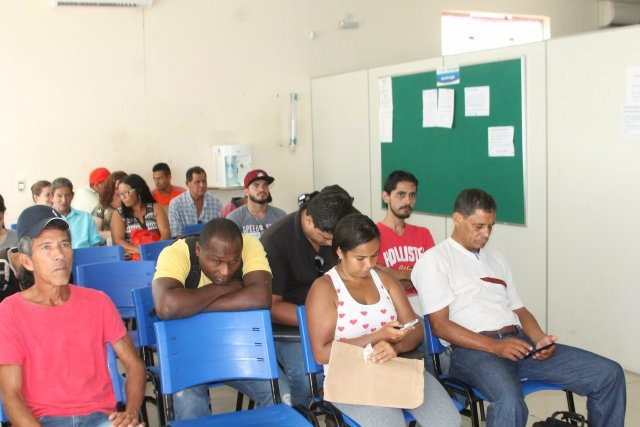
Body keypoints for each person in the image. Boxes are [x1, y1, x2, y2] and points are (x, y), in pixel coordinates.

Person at [411, 188, 626, 427]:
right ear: (458, 218)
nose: (486, 233)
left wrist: (541, 339)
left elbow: (520, 310)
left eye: (490, 226)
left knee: (609, 374)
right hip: (473, 351)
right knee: (510, 401)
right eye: (479, 226)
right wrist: (496, 346)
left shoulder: (496, 259)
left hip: (518, 343)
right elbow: (440, 326)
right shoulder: (434, 260)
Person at [306, 213, 460, 426]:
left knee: (448, 422)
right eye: (360, 258)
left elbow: (415, 330)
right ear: (340, 252)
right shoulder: (325, 289)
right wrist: (379, 337)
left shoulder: (385, 279)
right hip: (349, 376)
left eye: (374, 255)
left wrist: (394, 347)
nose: (369, 264)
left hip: (396, 365)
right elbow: (322, 353)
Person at [0, 204, 145, 426]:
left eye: (64, 244)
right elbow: (11, 395)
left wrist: (131, 413)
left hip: (101, 419)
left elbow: (134, 365)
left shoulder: (98, 302)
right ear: (27, 261)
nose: (59, 255)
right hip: (43, 421)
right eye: (46, 247)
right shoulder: (9, 312)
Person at [152, 218, 289, 419]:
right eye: (216, 261)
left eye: (234, 262)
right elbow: (167, 306)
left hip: (238, 344)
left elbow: (261, 298)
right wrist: (221, 289)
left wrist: (193, 307)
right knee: (190, 408)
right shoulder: (177, 252)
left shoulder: (248, 244)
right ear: (199, 250)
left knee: (281, 396)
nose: (225, 272)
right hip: (186, 348)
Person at [260, 186, 357, 406]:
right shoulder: (275, 241)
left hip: (335, 319)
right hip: (291, 327)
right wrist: (319, 320)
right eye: (326, 238)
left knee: (361, 361)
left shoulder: (333, 229)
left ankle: (340, 416)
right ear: (309, 219)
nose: (332, 245)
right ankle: (302, 417)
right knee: (307, 378)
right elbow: (273, 306)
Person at [376, 170, 435, 297]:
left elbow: (434, 276)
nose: (408, 201)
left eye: (412, 195)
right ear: (386, 196)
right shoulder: (372, 234)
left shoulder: (423, 234)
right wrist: (416, 277)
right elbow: (376, 279)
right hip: (391, 305)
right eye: (401, 194)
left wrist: (397, 274)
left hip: (424, 302)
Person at [111, 174, 170, 259]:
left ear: (138, 191)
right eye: (120, 194)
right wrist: (142, 251)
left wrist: (156, 250)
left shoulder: (155, 208)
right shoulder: (119, 214)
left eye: (126, 193)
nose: (122, 197)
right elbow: (118, 241)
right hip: (133, 259)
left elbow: (166, 233)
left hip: (159, 255)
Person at [226, 169, 286, 238]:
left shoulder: (280, 216)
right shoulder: (235, 218)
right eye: (256, 185)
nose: (262, 189)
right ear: (246, 191)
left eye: (265, 185)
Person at [168, 166, 223, 237]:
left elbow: (220, 231)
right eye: (197, 182)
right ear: (187, 184)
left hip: (210, 245)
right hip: (185, 245)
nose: (202, 185)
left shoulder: (216, 203)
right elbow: (176, 234)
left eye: (204, 181)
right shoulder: (176, 204)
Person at [51, 177, 105, 248]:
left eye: (67, 195)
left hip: (85, 257)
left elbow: (96, 244)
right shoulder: (46, 219)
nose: (64, 200)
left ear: (72, 196)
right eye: (59, 196)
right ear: (51, 197)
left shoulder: (85, 217)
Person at [92, 170, 127, 242]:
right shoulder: (102, 205)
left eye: (122, 188)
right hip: (109, 246)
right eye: (116, 188)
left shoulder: (131, 204)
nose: (119, 191)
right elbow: (94, 232)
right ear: (111, 188)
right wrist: (114, 234)